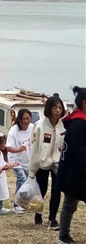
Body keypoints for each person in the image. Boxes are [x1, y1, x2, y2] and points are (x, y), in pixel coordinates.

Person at [29, 95, 65, 229]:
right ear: (49, 109)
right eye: (55, 107)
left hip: (57, 162)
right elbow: (34, 147)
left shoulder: (63, 125)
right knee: (41, 190)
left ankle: (53, 218)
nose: (57, 110)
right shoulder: (39, 126)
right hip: (42, 162)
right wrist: (32, 170)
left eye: (60, 108)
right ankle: (38, 214)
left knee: (56, 191)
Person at [57, 86, 86, 244]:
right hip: (76, 172)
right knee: (69, 204)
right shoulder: (78, 124)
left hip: (74, 171)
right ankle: (63, 236)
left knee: (70, 203)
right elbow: (79, 151)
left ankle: (63, 235)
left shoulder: (78, 121)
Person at [6, 108, 34, 213]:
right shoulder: (14, 130)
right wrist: (19, 149)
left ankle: (24, 202)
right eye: (24, 119)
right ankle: (16, 204)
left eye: (28, 118)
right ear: (20, 119)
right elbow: (8, 148)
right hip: (16, 159)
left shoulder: (33, 128)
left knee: (27, 182)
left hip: (28, 159)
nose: (26, 121)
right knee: (22, 178)